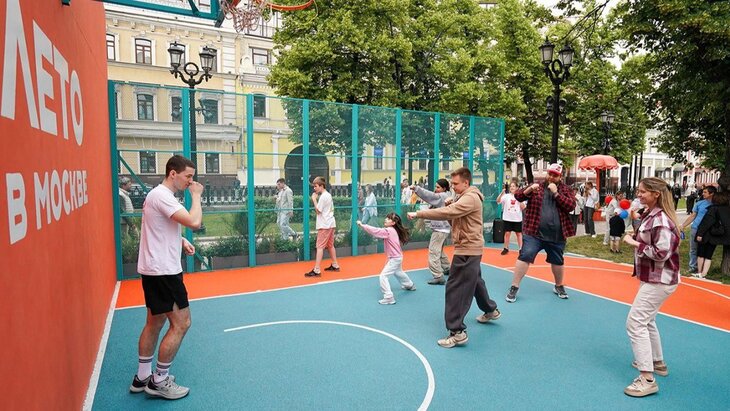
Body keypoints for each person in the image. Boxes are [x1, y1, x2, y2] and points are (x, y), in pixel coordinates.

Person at [130, 155, 203, 400]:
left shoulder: (158, 196)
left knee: (155, 322)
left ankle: (142, 377)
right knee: (182, 323)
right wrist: (197, 196)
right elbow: (194, 222)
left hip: (154, 269)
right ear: (173, 173)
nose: (190, 181)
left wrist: (179, 240)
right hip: (164, 272)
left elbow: (157, 227)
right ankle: (159, 381)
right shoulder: (162, 195)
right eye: (188, 176)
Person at [407, 167, 501, 349]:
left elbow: (449, 213)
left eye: (456, 184)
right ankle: (490, 310)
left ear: (466, 182)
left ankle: (457, 332)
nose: (453, 187)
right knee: (475, 282)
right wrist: (452, 203)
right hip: (469, 247)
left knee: (455, 288)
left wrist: (419, 214)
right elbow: (454, 220)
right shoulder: (463, 197)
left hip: (467, 249)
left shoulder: (470, 198)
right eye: (452, 184)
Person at [621, 177, 681, 398]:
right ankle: (657, 362)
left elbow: (661, 253)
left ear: (656, 194)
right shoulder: (652, 214)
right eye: (638, 191)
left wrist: (634, 243)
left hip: (660, 279)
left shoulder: (661, 220)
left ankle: (647, 379)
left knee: (635, 322)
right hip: (656, 278)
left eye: (643, 191)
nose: (638, 194)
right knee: (647, 320)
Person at [505, 163, 576, 303]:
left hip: (556, 234)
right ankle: (514, 286)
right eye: (550, 174)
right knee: (525, 255)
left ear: (560, 176)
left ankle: (559, 285)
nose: (551, 177)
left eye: (555, 175)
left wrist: (556, 193)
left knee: (558, 260)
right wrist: (529, 189)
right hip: (534, 233)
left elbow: (571, 206)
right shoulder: (536, 186)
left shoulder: (565, 189)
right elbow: (518, 196)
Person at [358, 213, 416, 304]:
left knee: (383, 276)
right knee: (398, 272)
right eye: (386, 218)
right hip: (397, 257)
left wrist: (362, 225)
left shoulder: (388, 230)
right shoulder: (393, 230)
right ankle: (409, 285)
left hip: (394, 258)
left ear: (393, 223)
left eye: (388, 219)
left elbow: (375, 231)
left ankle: (389, 297)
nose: (385, 219)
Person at [412, 179, 452, 285]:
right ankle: (447, 268)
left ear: (444, 188)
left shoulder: (442, 196)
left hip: (440, 229)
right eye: (435, 186)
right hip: (444, 228)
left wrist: (417, 189)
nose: (436, 189)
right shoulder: (447, 195)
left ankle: (438, 276)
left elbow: (429, 196)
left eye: (438, 187)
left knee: (433, 251)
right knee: (439, 250)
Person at [305, 176, 341, 277]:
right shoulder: (328, 195)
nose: (314, 188)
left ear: (321, 186)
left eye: (316, 186)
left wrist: (314, 199)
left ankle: (316, 270)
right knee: (330, 245)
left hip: (325, 225)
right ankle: (335, 265)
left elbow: (318, 211)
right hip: (330, 223)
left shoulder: (323, 197)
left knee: (319, 246)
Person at [679, 185, 716, 274]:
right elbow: (693, 216)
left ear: (711, 193)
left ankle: (703, 269)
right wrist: (683, 225)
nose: (703, 194)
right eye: (703, 192)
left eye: (705, 192)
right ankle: (693, 266)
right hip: (695, 228)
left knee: (705, 250)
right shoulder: (699, 203)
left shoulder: (716, 205)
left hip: (708, 230)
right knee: (693, 248)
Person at [693, 191, 730, 278]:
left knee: (701, 254)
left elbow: (706, 222)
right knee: (708, 256)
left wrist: (700, 234)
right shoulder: (727, 209)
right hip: (718, 236)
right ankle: (704, 274)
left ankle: (699, 272)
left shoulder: (713, 209)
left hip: (707, 235)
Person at [497, 182, 526, 255]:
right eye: (511, 186)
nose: (512, 187)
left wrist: (519, 200)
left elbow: (523, 207)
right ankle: (506, 248)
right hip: (507, 218)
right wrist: (501, 193)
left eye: (513, 186)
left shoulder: (520, 196)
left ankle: (521, 249)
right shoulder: (506, 196)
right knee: (507, 233)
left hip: (517, 219)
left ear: (517, 188)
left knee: (518, 234)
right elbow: (498, 201)